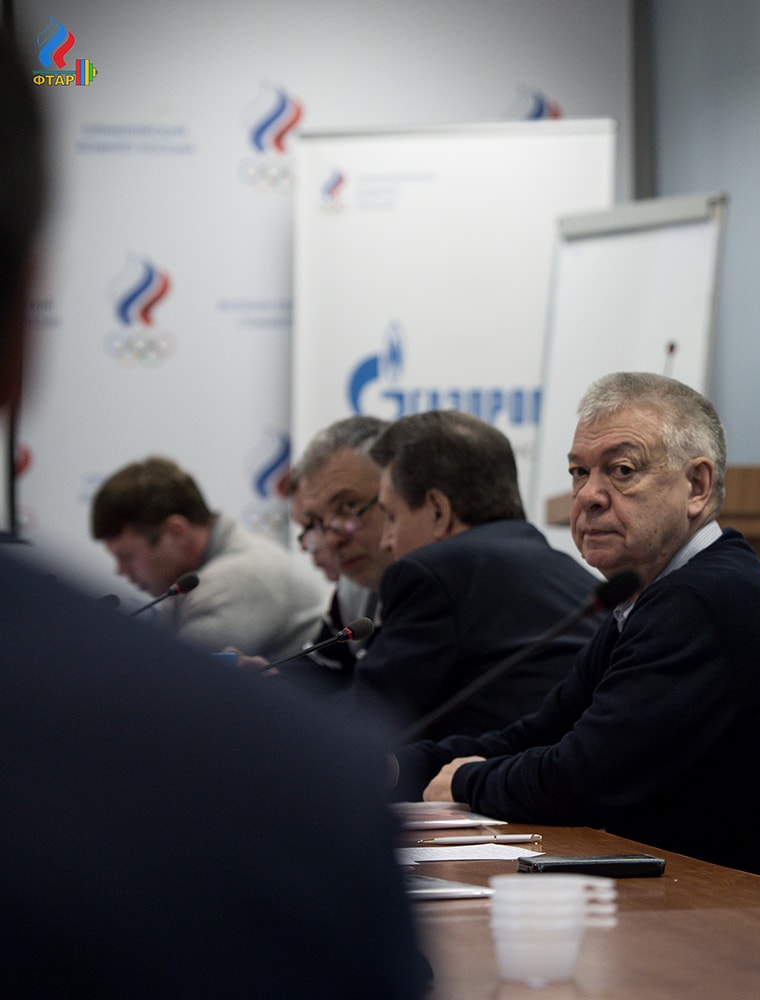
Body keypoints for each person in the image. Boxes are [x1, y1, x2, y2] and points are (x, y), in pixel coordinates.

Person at [0, 31, 429, 996]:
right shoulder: (277, 784)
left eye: (355, 511)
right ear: (25, 331)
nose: (334, 540)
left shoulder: (239, 605)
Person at [393, 373, 760, 874]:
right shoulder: (648, 597)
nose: (589, 496)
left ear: (697, 486)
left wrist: (466, 781)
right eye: (579, 472)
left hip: (742, 899)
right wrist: (400, 767)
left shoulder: (706, 599)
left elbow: (582, 779)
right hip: (684, 887)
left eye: (622, 470)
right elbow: (538, 736)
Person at [353, 408, 603, 740]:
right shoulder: (573, 577)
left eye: (391, 516)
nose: (386, 541)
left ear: (438, 511)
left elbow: (357, 729)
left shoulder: (430, 575)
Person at [90, 456, 327, 660]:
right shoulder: (195, 577)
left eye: (127, 556)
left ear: (176, 532)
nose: (120, 571)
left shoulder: (232, 581)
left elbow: (176, 684)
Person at [277, 415, 391, 689]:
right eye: (318, 522)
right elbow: (323, 667)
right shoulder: (356, 583)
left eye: (348, 507)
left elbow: (386, 703)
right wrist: (266, 682)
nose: (331, 539)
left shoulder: (435, 583)